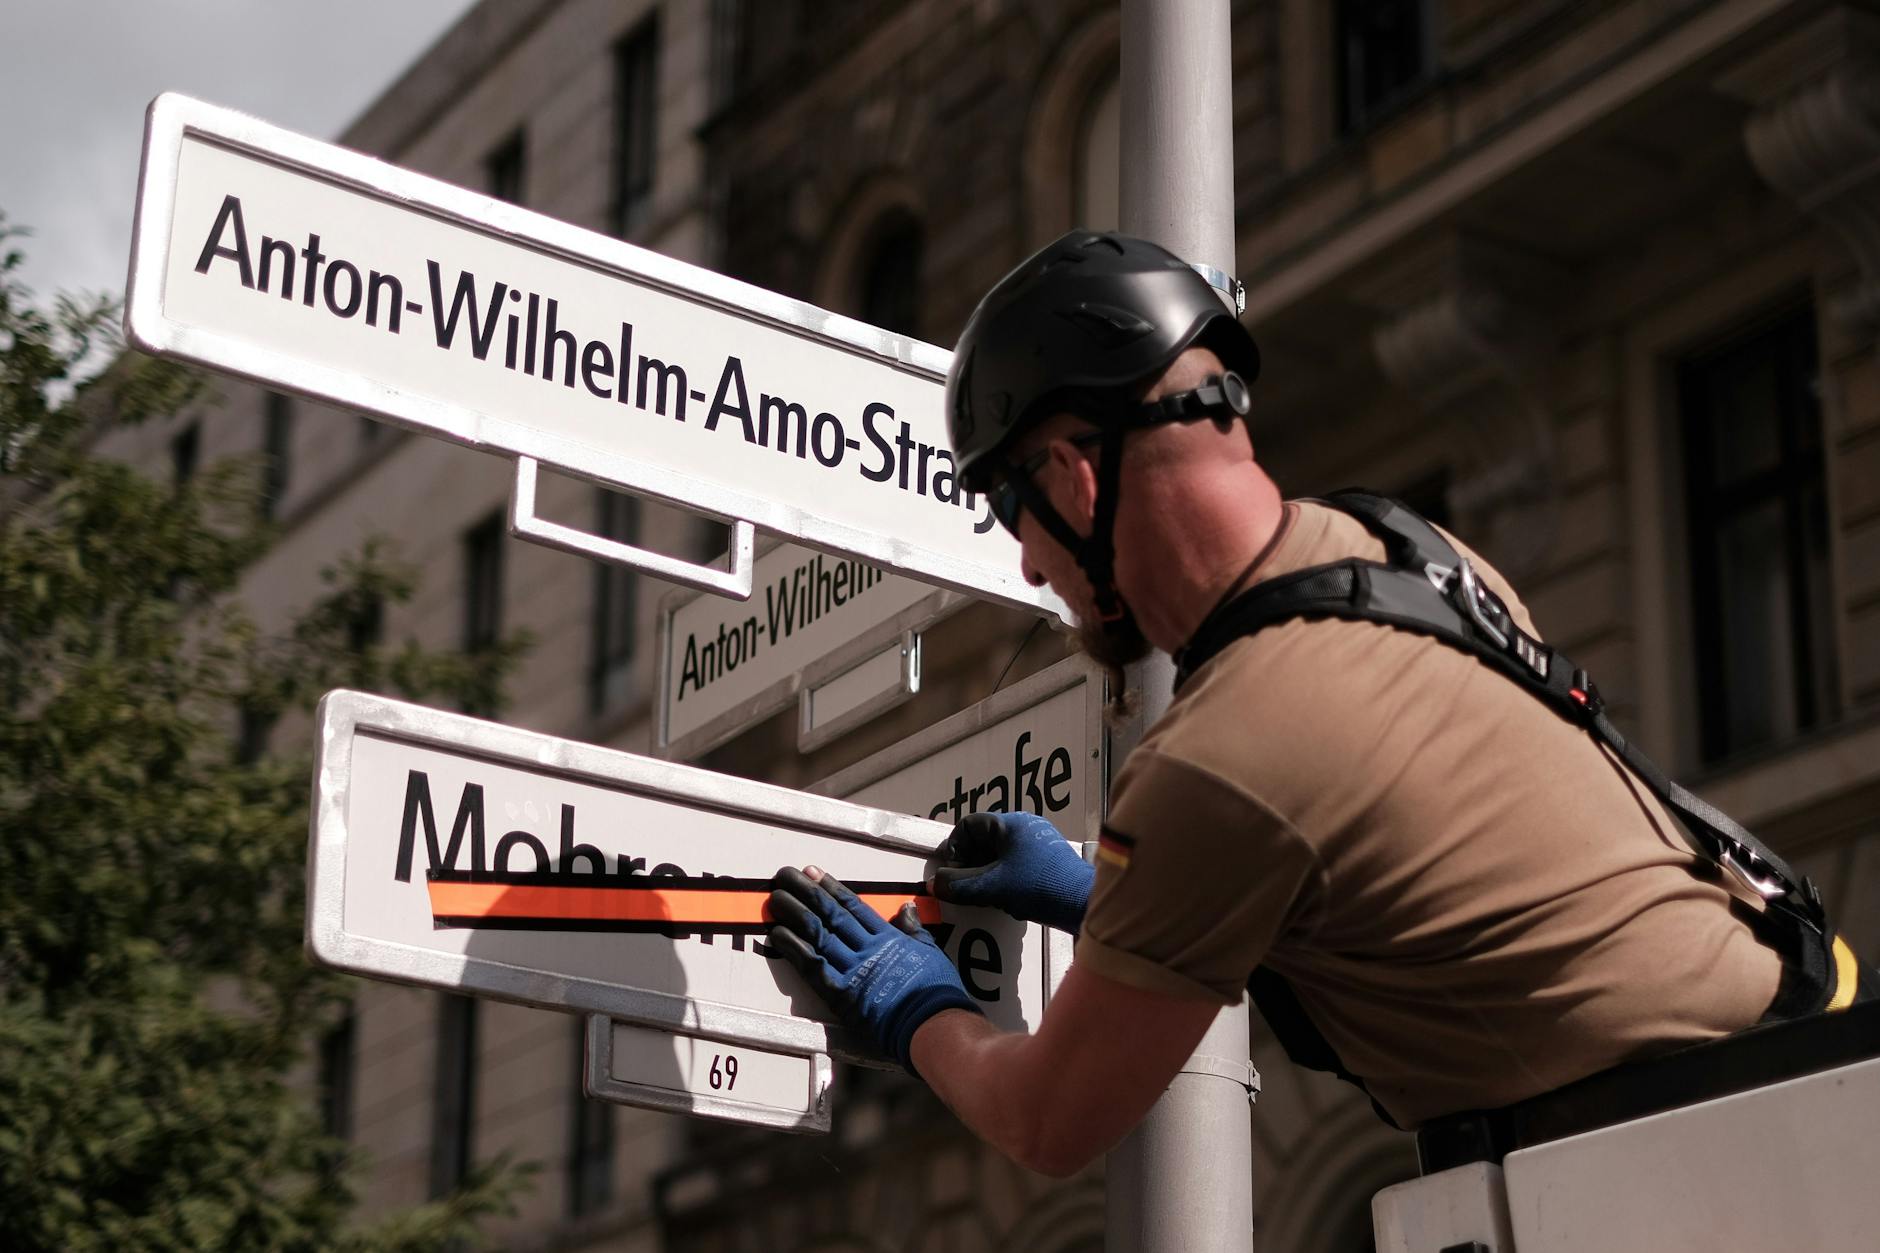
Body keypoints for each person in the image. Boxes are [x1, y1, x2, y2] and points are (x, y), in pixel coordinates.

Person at [765, 231, 1865, 1177]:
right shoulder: (1405, 546)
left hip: (1686, 1159)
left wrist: (913, 1006)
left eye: (1012, 511)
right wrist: (1106, 897)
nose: (1025, 565)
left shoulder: (1217, 757)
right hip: (1812, 1051)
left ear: (1074, 478)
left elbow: (1047, 1119)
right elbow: (1393, 873)